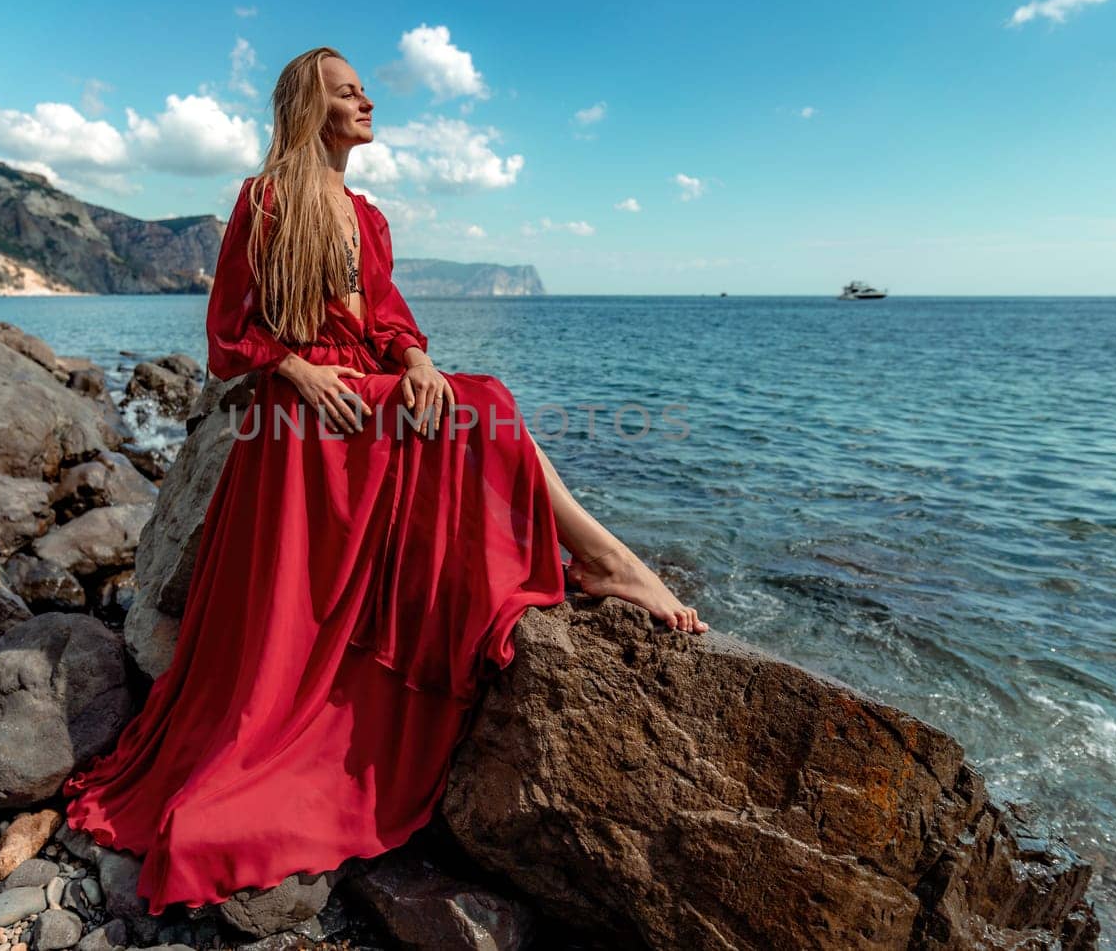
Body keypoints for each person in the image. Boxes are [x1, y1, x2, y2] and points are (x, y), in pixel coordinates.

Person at [61, 46, 707, 913]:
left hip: (366, 395)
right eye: (348, 89)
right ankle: (604, 562)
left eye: (366, 87)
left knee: (475, 404)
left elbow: (390, 313)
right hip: (305, 417)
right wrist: (292, 369)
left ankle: (598, 559)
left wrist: (416, 358)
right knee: (491, 411)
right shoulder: (265, 200)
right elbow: (228, 334)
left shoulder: (367, 214)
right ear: (309, 107)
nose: (368, 98)